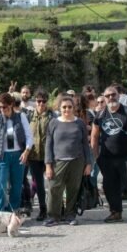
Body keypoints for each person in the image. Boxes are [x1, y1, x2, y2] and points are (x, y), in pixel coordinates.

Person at [90, 84, 127, 223]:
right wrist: (96, 156)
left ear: (118, 95)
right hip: (107, 158)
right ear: (104, 98)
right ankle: (115, 212)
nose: (111, 97)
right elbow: (94, 136)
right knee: (110, 186)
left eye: (113, 94)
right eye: (108, 96)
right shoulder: (100, 115)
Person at [44, 95, 93, 226]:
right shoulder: (53, 123)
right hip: (58, 162)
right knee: (54, 189)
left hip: (77, 161)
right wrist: (48, 165)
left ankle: (70, 215)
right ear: (59, 108)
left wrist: (88, 163)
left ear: (74, 108)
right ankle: (53, 216)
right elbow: (48, 145)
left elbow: (85, 144)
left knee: (73, 189)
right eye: (64, 107)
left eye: (69, 107)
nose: (67, 109)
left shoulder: (80, 123)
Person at [0, 92, 34, 212]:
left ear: (11, 104)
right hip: (2, 156)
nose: (2, 109)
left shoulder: (21, 116)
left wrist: (26, 152)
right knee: (1, 186)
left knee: (17, 186)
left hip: (19, 155)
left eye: (5, 107)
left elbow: (29, 136)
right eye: (0, 107)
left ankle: (13, 212)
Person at [26, 90, 53, 220]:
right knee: (39, 184)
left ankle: (56, 208)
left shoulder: (52, 116)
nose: (41, 104)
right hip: (34, 156)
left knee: (53, 183)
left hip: (49, 155)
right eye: (39, 101)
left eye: (44, 101)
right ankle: (43, 209)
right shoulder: (29, 116)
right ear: (35, 101)